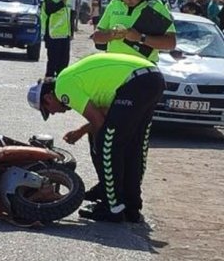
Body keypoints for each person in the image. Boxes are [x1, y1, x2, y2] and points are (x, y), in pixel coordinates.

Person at [27, 53, 165, 223]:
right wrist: (81, 131)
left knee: (107, 144)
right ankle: (131, 206)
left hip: (136, 82)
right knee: (133, 147)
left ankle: (111, 206)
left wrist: (96, 147)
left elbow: (99, 122)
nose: (54, 113)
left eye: (48, 110)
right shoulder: (75, 79)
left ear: (48, 97)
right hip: (153, 78)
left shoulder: (63, 88)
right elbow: (109, 113)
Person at [93, 0, 177, 63]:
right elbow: (96, 37)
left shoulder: (156, 7)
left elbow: (171, 43)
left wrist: (140, 38)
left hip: (142, 69)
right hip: (114, 65)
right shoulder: (114, 4)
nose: (127, 0)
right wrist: (112, 34)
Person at [41, 0, 73, 77]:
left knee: (63, 65)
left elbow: (70, 16)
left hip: (65, 36)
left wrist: (71, 32)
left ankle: (59, 88)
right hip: (53, 36)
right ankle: (47, 88)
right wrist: (62, 2)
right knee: (52, 64)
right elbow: (50, 10)